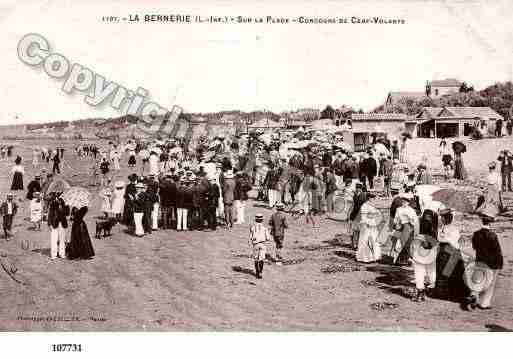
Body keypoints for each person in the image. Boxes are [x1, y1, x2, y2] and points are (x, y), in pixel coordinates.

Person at [466, 216, 503, 310]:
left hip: (479, 260)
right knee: (490, 283)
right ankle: (484, 303)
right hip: (491, 262)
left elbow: (474, 247)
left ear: (482, 222)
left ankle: (473, 295)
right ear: (490, 224)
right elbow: (497, 251)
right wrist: (499, 263)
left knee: (478, 280)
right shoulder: (493, 235)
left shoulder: (476, 234)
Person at [393, 193, 419, 265]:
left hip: (408, 227)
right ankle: (398, 259)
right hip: (400, 226)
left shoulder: (411, 210)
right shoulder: (398, 209)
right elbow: (396, 219)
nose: (404, 203)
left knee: (407, 243)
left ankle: (406, 259)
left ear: (408, 203)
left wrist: (410, 219)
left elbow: (415, 221)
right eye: (403, 201)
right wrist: (397, 224)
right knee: (398, 243)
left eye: (406, 202)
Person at [356, 194, 382, 263]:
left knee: (374, 239)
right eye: (372, 198)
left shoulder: (373, 205)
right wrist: (368, 221)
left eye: (374, 198)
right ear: (368, 198)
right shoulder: (364, 206)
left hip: (373, 224)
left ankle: (374, 256)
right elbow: (363, 216)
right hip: (366, 224)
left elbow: (378, 213)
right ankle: (364, 257)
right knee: (365, 239)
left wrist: (375, 216)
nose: (373, 199)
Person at [47, 192, 70, 259]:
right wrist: (49, 223)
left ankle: (62, 253)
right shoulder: (53, 203)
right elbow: (50, 214)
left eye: (60, 194)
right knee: (54, 238)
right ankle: (53, 254)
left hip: (62, 222)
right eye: (57, 194)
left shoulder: (65, 203)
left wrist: (62, 209)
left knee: (62, 239)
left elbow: (67, 213)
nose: (58, 196)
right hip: (54, 222)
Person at [249, 213, 271, 279]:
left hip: (256, 244)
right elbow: (268, 238)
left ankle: (257, 272)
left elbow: (251, 237)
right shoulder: (265, 228)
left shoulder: (252, 228)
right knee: (261, 258)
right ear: (262, 220)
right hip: (262, 244)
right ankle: (260, 272)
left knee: (256, 259)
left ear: (255, 220)